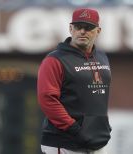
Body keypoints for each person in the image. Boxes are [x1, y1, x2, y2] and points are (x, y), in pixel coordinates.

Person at [37, 8, 112, 154]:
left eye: (88, 27)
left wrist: (103, 126)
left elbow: (99, 97)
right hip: (65, 143)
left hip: (96, 142)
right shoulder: (54, 60)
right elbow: (47, 99)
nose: (82, 31)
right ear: (71, 29)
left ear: (98, 31)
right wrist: (75, 129)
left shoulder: (102, 57)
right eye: (78, 27)